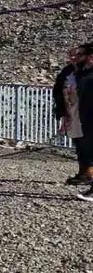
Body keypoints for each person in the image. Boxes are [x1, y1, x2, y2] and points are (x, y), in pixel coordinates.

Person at [54, 44, 93, 184]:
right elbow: (58, 89)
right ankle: (84, 172)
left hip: (87, 113)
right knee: (79, 142)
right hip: (73, 112)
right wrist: (61, 111)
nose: (74, 58)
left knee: (88, 143)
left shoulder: (87, 72)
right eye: (72, 55)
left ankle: (89, 173)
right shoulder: (68, 71)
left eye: (78, 55)